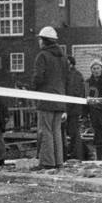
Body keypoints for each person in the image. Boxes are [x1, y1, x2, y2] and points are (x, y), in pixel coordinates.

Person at [31, 26, 68, 170]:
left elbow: (38, 77)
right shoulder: (63, 57)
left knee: (45, 130)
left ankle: (47, 162)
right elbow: (66, 78)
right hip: (60, 99)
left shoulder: (42, 56)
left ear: (44, 40)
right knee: (56, 131)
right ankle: (58, 162)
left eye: (40, 39)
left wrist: (33, 89)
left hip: (46, 98)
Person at [64, 56, 86, 161]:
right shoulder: (74, 75)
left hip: (72, 108)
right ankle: (74, 154)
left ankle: (76, 155)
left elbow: (73, 93)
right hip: (72, 107)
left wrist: (66, 109)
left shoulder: (74, 75)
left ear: (71, 64)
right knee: (72, 132)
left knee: (74, 133)